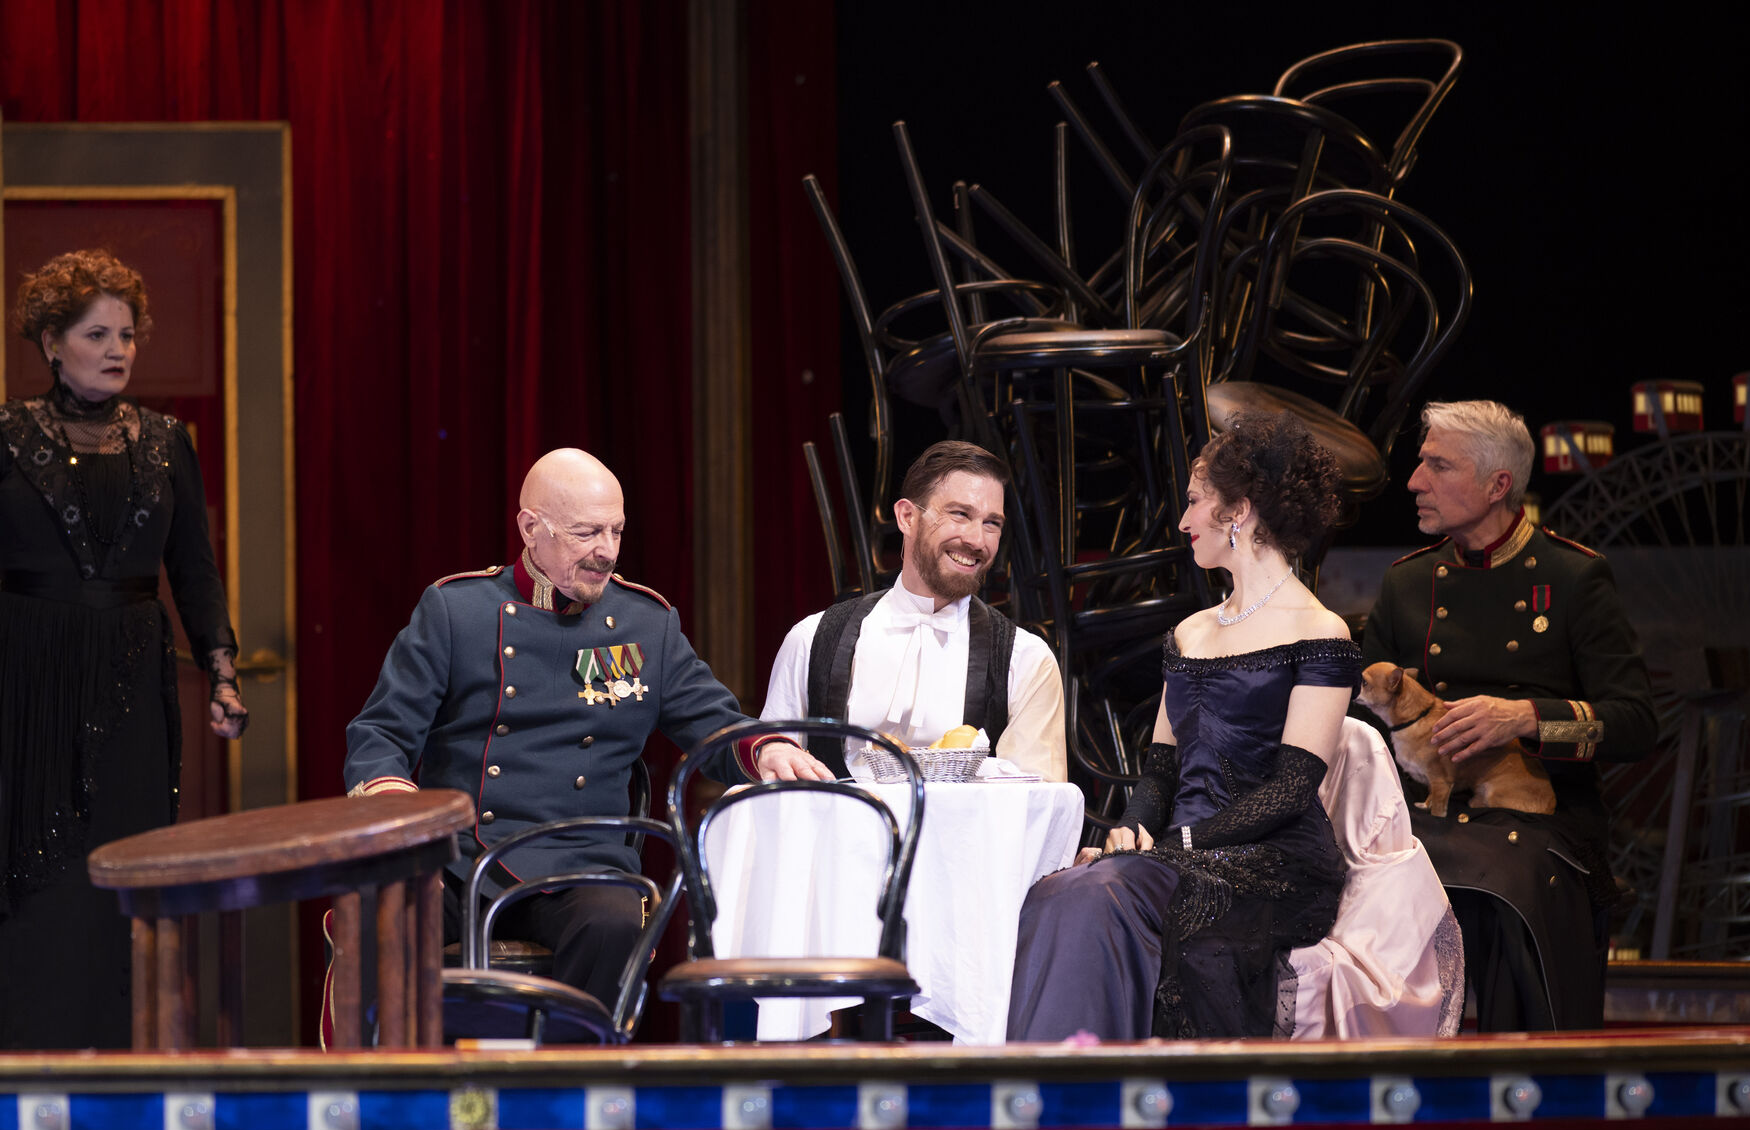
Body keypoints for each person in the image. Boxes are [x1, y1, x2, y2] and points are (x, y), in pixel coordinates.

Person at [344, 448, 828, 1015]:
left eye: (616, 531)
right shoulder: (458, 612)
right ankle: (401, 1088)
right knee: (381, 914)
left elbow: (713, 722)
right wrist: (393, 801)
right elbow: (381, 732)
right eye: (586, 533)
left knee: (612, 923)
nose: (607, 551)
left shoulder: (648, 624)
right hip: (462, 858)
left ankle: (569, 1089)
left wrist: (765, 746)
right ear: (531, 528)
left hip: (583, 860)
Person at [1008, 412, 1358, 1040]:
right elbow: (1162, 769)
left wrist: (1180, 845)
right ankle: (1066, 1095)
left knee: (1102, 895)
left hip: (1274, 862)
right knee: (1060, 891)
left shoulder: (1321, 632)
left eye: (1194, 502)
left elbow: (1291, 791)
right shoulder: (1191, 632)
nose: (1182, 521)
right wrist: (1131, 830)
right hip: (1182, 850)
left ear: (1239, 511)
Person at [0, 250, 247, 1050]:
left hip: (132, 683)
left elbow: (195, 571)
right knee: (38, 880)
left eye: (128, 334)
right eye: (96, 332)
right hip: (25, 684)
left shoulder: (167, 440)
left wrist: (221, 668)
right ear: (50, 341)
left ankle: (121, 1075)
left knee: (121, 875)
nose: (118, 348)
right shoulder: (5, 436)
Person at [1362, 400, 1655, 1031]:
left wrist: (1526, 717)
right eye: (1420, 465)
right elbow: (1358, 725)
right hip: (1424, 813)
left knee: (1504, 887)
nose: (1414, 482)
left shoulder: (1574, 577)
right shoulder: (1407, 584)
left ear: (1499, 485)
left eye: (1438, 466)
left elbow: (1634, 723)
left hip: (1539, 818)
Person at [760, 440, 1065, 780]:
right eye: (960, 514)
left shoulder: (1025, 659)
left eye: (992, 523)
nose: (977, 540)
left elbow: (1041, 805)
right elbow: (771, 782)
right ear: (907, 516)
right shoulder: (812, 640)